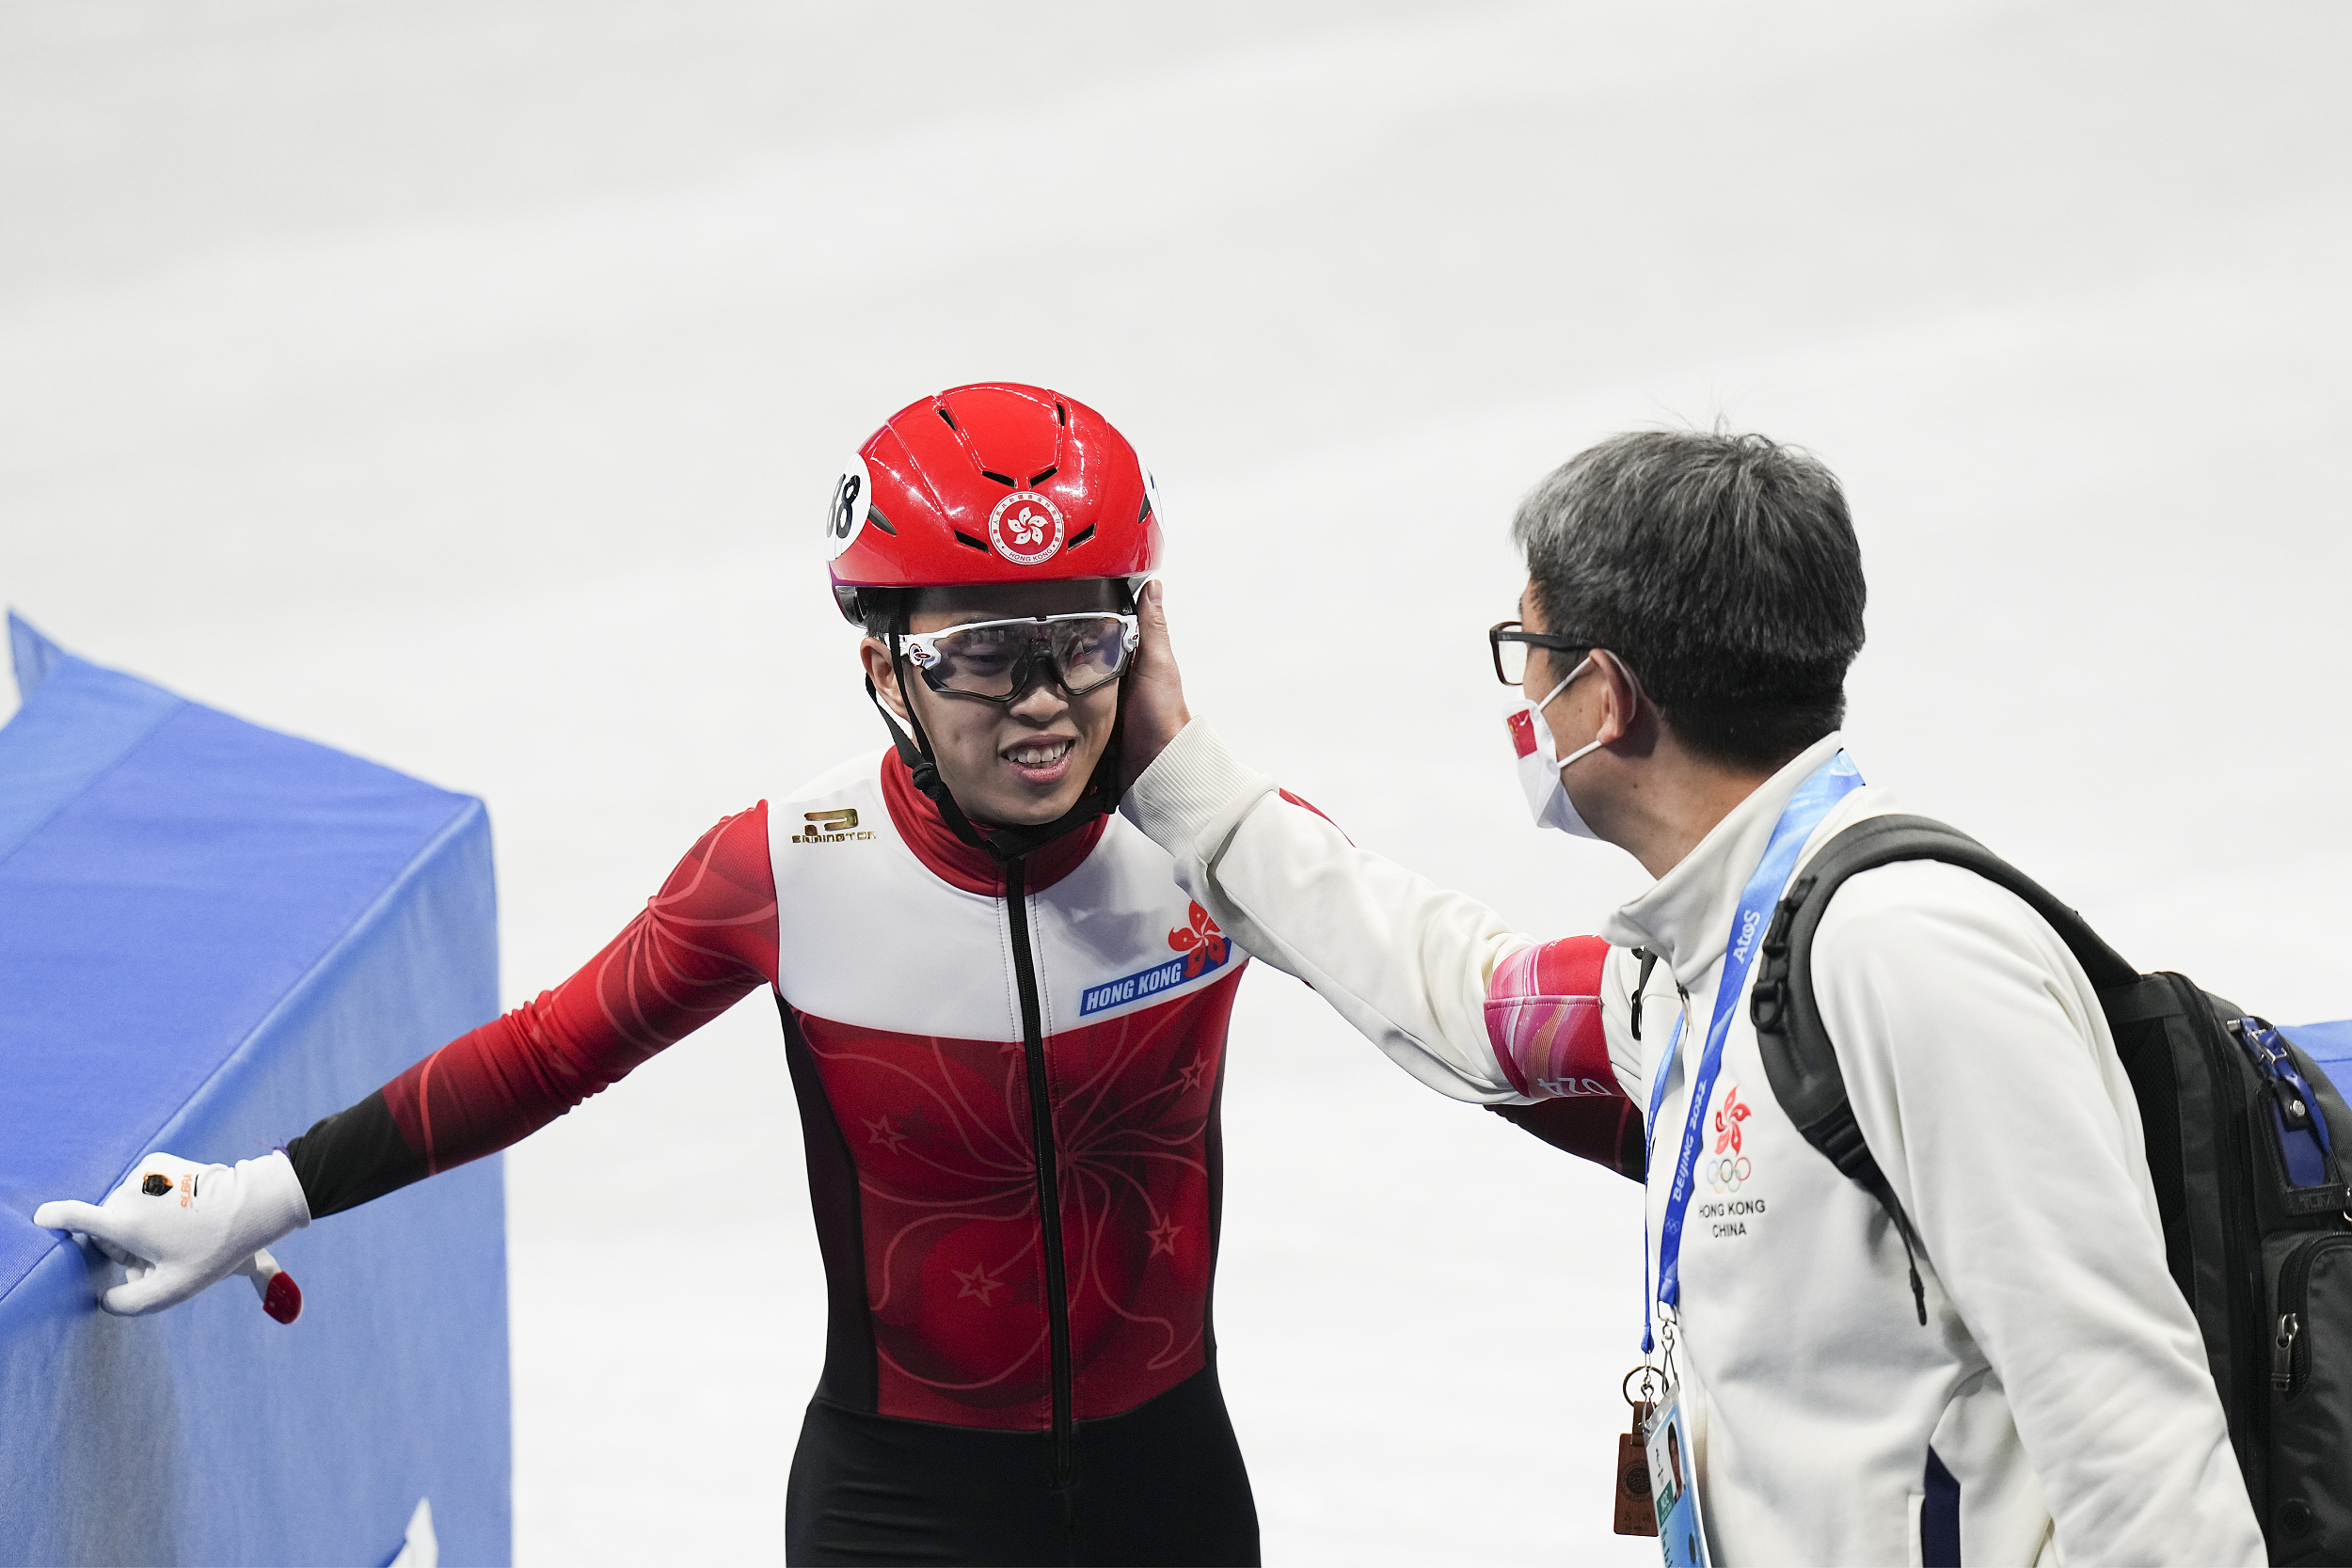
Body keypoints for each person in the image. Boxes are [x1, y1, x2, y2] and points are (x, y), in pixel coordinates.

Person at [36, 384, 1262, 1567]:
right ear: (886, 669)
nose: (1043, 702)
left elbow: (1433, 989)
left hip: (1170, 1492)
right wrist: (260, 1192)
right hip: (908, 1506)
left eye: (1082, 644)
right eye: (985, 654)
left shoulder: (1221, 850)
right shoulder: (788, 866)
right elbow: (545, 1051)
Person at [1109, 430, 2265, 1564]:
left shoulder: (1902, 957)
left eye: (1528, 645)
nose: (1520, 693)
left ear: (1602, 693)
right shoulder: (1709, 952)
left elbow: (2132, 1429)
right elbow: (1470, 998)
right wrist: (1180, 779)